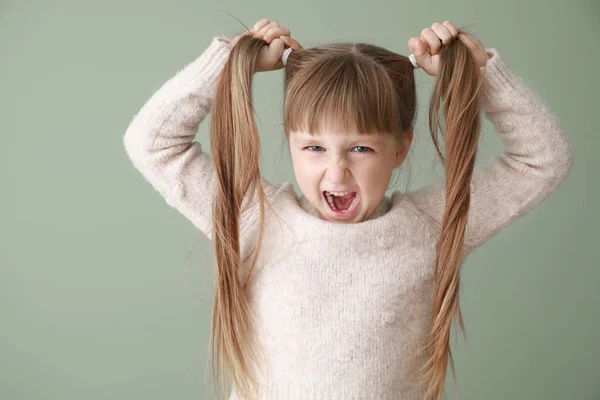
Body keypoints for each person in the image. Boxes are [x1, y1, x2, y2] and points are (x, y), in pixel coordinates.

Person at [123, 18, 574, 400]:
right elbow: (152, 143)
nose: (336, 172)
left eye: (360, 147)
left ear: (400, 149)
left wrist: (481, 73)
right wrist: (228, 63)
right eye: (314, 146)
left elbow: (543, 159)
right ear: (293, 145)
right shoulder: (257, 217)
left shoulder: (430, 226)